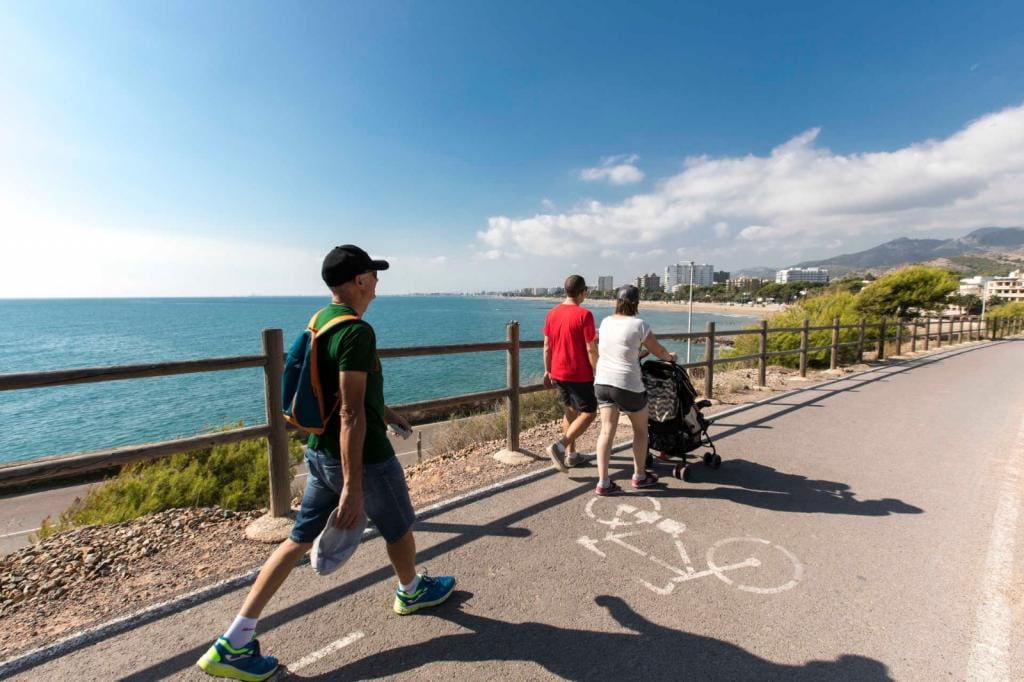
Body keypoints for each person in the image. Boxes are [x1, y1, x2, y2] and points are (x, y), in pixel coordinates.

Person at [197, 245, 456, 682]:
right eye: (373, 274)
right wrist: (353, 486)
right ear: (359, 281)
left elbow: (340, 393)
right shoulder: (356, 332)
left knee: (297, 539)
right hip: (364, 459)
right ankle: (411, 591)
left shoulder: (321, 320)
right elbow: (351, 413)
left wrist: (385, 411)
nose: (378, 281)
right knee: (399, 527)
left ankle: (234, 640)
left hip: (319, 453)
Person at [592, 285, 676, 495]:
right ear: (636, 303)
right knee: (640, 431)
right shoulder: (639, 325)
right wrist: (670, 357)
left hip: (602, 382)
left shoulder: (605, 322)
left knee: (606, 431)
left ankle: (603, 482)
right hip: (627, 385)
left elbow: (614, 348)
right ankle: (639, 476)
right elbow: (659, 350)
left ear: (617, 302)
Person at [543, 275, 599, 472]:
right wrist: (597, 371)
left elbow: (547, 346)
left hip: (558, 372)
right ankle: (560, 447)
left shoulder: (552, 313)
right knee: (589, 412)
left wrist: (547, 370)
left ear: (565, 291)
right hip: (578, 373)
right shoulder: (585, 315)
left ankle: (572, 456)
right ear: (583, 292)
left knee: (571, 410)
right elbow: (591, 348)